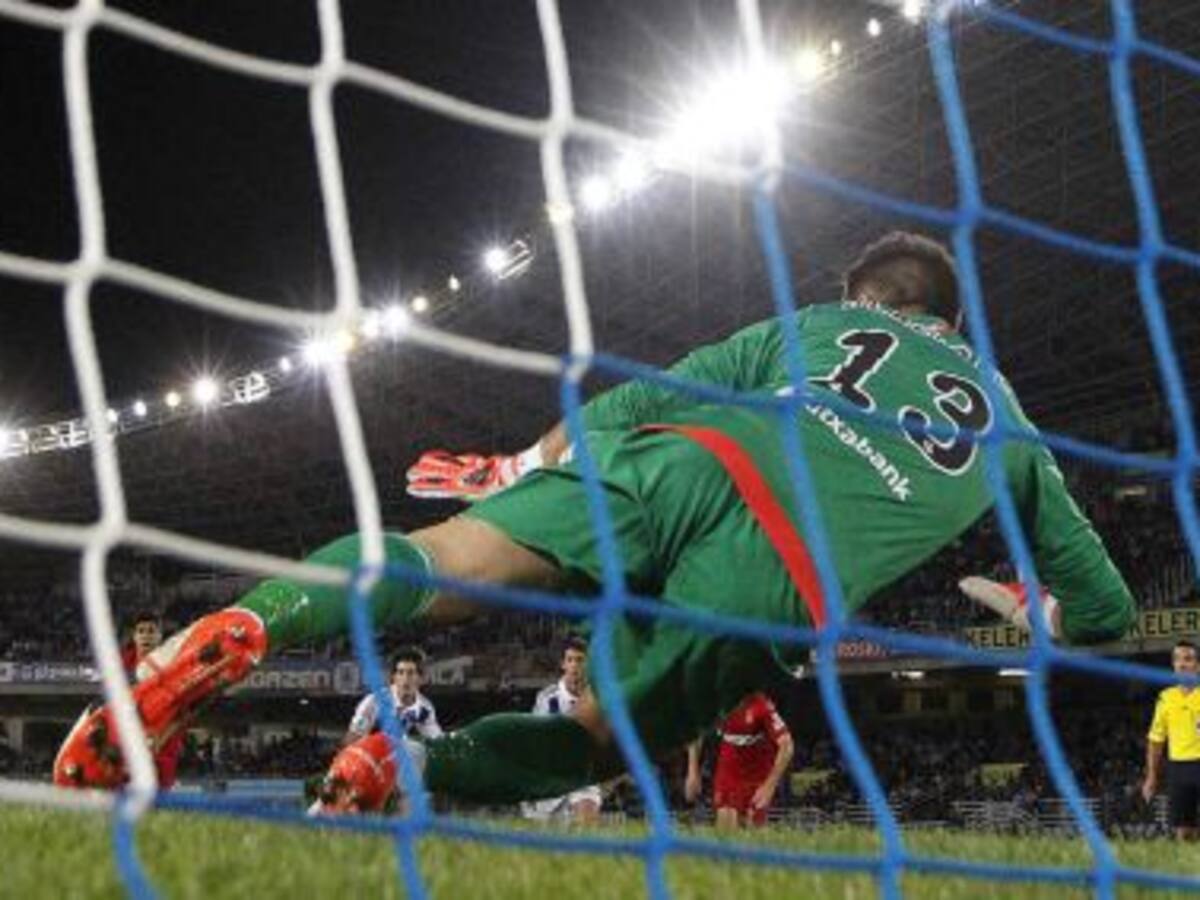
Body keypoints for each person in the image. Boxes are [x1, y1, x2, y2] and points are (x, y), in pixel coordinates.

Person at [54, 231, 1135, 809]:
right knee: (599, 741)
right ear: (948, 321)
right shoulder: (1012, 430)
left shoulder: (815, 325)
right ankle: (403, 770)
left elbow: (650, 392)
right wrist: (1040, 617)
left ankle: (244, 626)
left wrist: (521, 463)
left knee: (437, 556)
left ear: (868, 303)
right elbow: (1107, 610)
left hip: (685, 457)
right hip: (777, 574)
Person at [523, 637, 603, 824]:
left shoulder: (599, 698)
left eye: (580, 660)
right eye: (570, 660)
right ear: (563, 664)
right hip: (549, 778)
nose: (574, 665)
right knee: (546, 836)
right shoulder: (547, 699)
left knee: (587, 815)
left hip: (582, 776)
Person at [686, 691, 793, 827]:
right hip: (727, 773)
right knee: (725, 831)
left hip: (756, 776)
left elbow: (787, 745)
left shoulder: (762, 706)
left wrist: (769, 786)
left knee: (751, 832)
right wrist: (693, 772)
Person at [117, 613, 185, 789]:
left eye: (151, 631)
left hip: (163, 740)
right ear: (134, 637)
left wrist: (160, 740)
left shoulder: (173, 663)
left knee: (159, 793)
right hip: (129, 739)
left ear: (160, 637)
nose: (146, 636)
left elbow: (182, 711)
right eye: (141, 631)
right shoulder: (121, 665)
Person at [1141, 639, 1200, 840]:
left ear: (1198, 666)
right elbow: (1156, 741)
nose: (1182, 664)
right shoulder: (1165, 698)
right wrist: (1151, 776)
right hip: (1178, 768)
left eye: (1188, 659)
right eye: (1177, 659)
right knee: (1184, 831)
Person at [344, 647, 442, 745]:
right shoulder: (373, 702)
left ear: (421, 678)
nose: (405, 679)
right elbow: (351, 740)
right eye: (400, 672)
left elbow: (437, 740)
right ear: (393, 677)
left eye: (411, 673)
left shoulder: (425, 708)